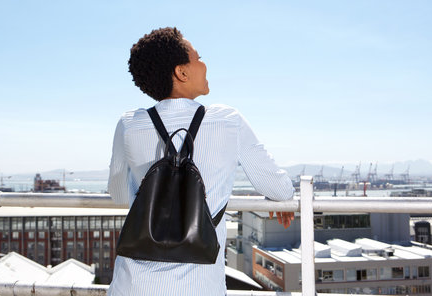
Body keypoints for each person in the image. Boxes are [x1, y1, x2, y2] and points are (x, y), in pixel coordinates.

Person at [107, 27, 295, 295]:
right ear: (181, 72)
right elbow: (280, 188)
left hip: (132, 285)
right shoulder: (228, 120)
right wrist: (282, 199)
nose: (204, 64)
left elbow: (118, 196)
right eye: (198, 57)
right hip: (199, 287)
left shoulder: (129, 124)